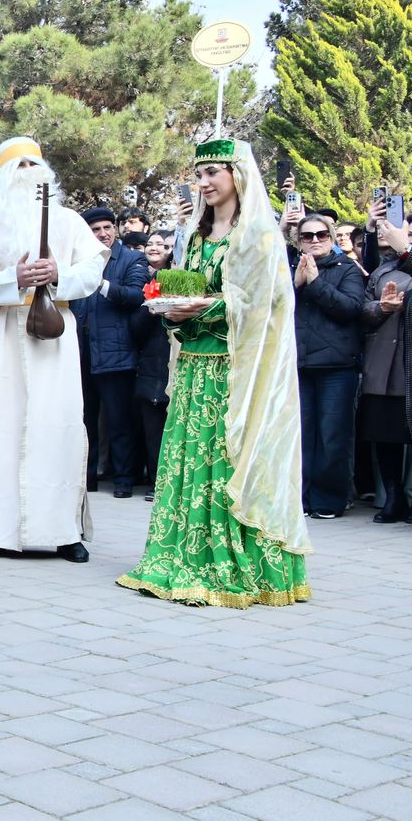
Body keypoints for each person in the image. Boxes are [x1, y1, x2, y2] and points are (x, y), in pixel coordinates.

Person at [119, 139, 311, 606]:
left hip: (236, 368)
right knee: (189, 459)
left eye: (213, 173)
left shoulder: (259, 234)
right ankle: (186, 553)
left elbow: (268, 303)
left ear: (237, 175)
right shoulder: (196, 236)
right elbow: (182, 288)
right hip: (192, 366)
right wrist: (172, 311)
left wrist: (205, 307)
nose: (203, 183)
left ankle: (233, 558)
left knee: (227, 457)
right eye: (199, 175)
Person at [0, 136, 107, 562]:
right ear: (1, 176)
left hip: (54, 336)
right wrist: (11, 279)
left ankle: (64, 532)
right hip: (1, 335)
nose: (27, 172)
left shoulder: (69, 221)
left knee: (58, 428)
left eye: (33, 164)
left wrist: (58, 273)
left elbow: (93, 269)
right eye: (18, 166)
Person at [289, 213, 366, 519]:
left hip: (337, 366)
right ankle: (302, 498)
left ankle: (329, 500)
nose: (315, 240)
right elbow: (271, 311)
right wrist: (294, 286)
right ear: (298, 241)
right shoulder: (288, 269)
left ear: (331, 238)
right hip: (298, 364)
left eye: (321, 234)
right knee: (301, 435)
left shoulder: (347, 268)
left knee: (333, 436)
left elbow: (350, 308)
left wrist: (315, 283)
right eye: (307, 236)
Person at [72, 206, 151, 497]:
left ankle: (123, 480)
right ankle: (87, 478)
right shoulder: (78, 261)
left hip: (116, 352)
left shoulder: (132, 258)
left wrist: (102, 285)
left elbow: (136, 296)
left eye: (107, 227)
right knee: (84, 421)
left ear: (115, 229)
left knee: (119, 421)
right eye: (95, 230)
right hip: (81, 353)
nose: (102, 234)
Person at [357, 208, 412, 524]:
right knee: (385, 431)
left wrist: (408, 251)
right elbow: (362, 310)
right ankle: (393, 497)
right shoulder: (384, 270)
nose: (407, 239)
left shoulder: (410, 262)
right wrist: (381, 308)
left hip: (411, 362)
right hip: (384, 363)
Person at [128, 230, 175, 501]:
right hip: (154, 369)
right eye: (153, 244)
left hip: (182, 365)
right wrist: (152, 308)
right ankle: (157, 482)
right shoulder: (153, 281)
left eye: (166, 246)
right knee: (154, 431)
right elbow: (136, 327)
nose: (159, 249)